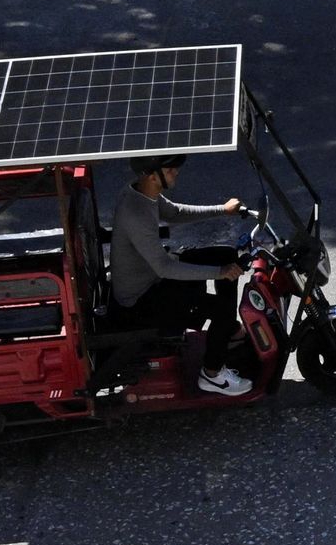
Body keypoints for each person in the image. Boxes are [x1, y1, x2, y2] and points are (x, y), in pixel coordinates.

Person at [106, 156, 255, 396]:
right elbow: (164, 267)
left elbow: (174, 213)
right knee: (220, 308)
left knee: (226, 255)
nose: (176, 172)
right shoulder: (136, 213)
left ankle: (228, 330)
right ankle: (212, 373)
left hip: (153, 279)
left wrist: (223, 210)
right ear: (152, 175)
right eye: (171, 169)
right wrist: (219, 274)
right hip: (141, 301)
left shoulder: (142, 192)